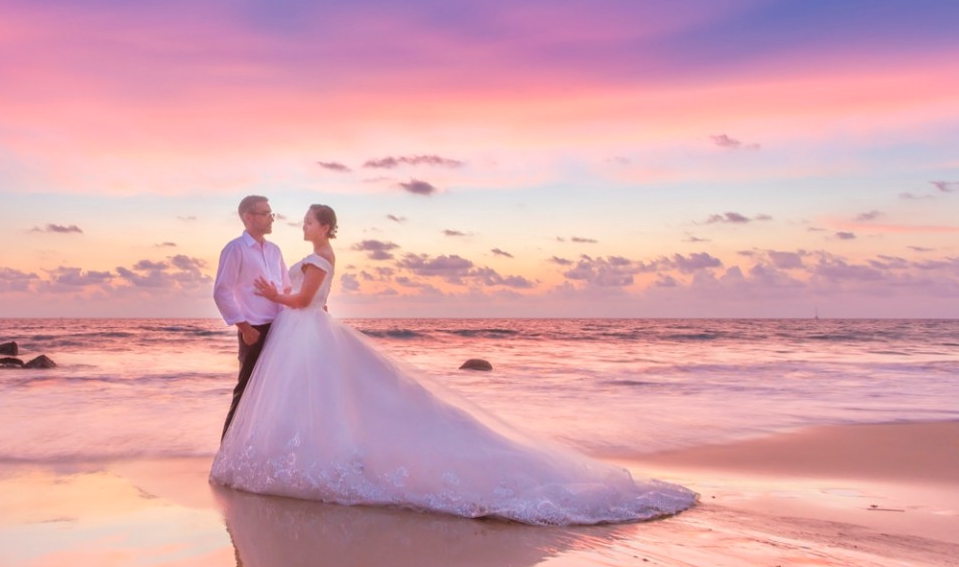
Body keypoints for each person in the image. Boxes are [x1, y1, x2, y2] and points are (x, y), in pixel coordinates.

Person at [211, 204, 697, 525]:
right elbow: (287, 298)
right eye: (285, 217)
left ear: (323, 226)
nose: (297, 224)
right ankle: (268, 454)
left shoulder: (316, 258)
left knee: (331, 399)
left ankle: (308, 459)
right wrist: (256, 314)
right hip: (294, 335)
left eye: (308, 221)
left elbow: (303, 300)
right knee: (298, 399)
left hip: (301, 330)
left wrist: (278, 295)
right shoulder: (280, 252)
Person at [213, 194, 286, 439]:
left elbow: (286, 288)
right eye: (265, 213)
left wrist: (310, 305)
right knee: (245, 392)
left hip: (280, 329)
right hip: (254, 331)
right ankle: (226, 454)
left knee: (274, 394)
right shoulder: (235, 249)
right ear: (248, 217)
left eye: (270, 213)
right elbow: (221, 292)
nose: (271, 218)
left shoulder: (275, 251)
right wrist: (244, 327)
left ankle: (260, 451)